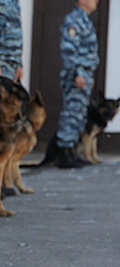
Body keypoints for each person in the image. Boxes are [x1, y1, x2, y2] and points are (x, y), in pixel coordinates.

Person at [54, 0, 100, 168]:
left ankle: (73, 150)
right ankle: (64, 152)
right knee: (71, 113)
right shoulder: (73, 20)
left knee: (79, 114)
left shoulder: (85, 20)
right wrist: (79, 73)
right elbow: (69, 50)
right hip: (76, 75)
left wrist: (88, 75)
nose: (96, 2)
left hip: (84, 74)